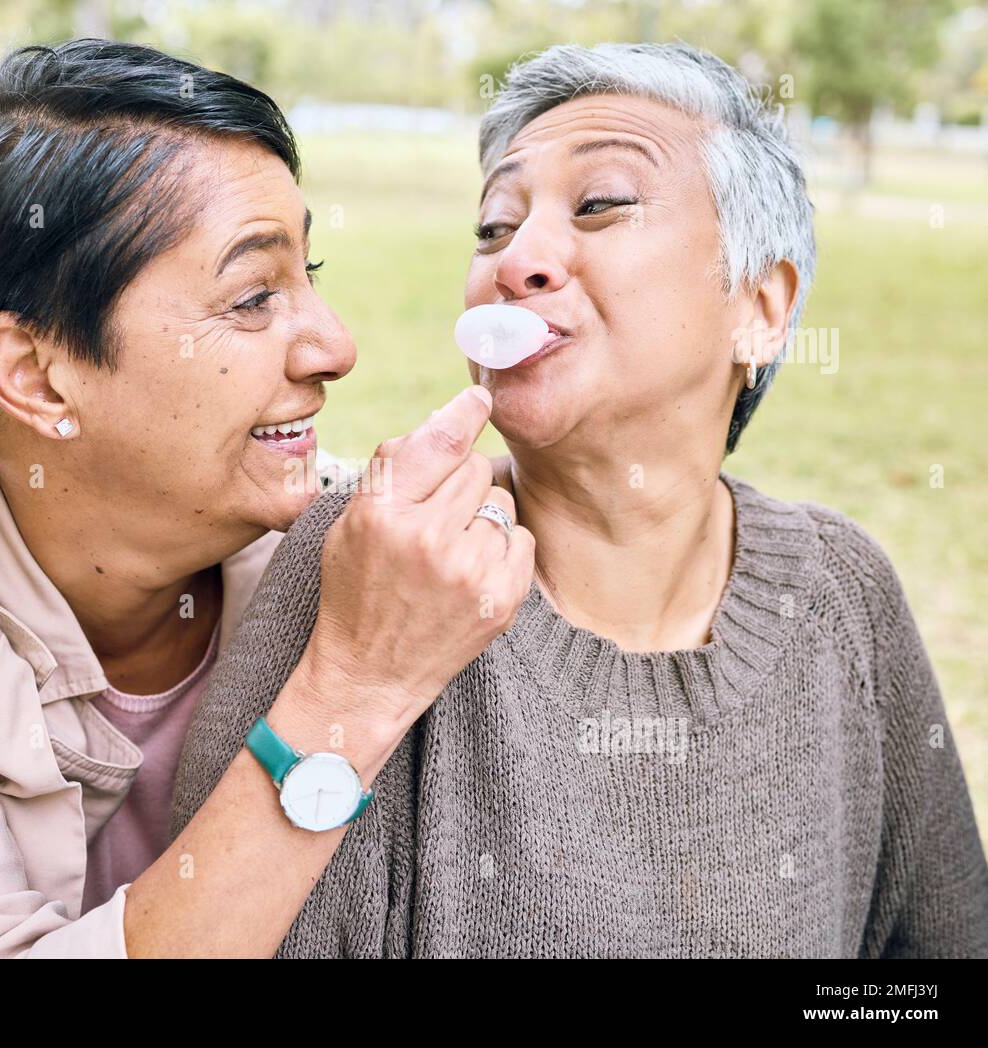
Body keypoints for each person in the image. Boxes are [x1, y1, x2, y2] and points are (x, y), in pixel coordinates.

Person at [0, 38, 534, 958]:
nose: (334, 348)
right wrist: (354, 692)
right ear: (38, 377)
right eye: (253, 296)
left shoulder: (347, 540)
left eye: (309, 275)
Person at [169, 41, 988, 958]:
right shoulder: (372, 554)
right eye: (493, 228)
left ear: (761, 306)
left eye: (600, 204)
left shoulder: (844, 591)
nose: (519, 259)